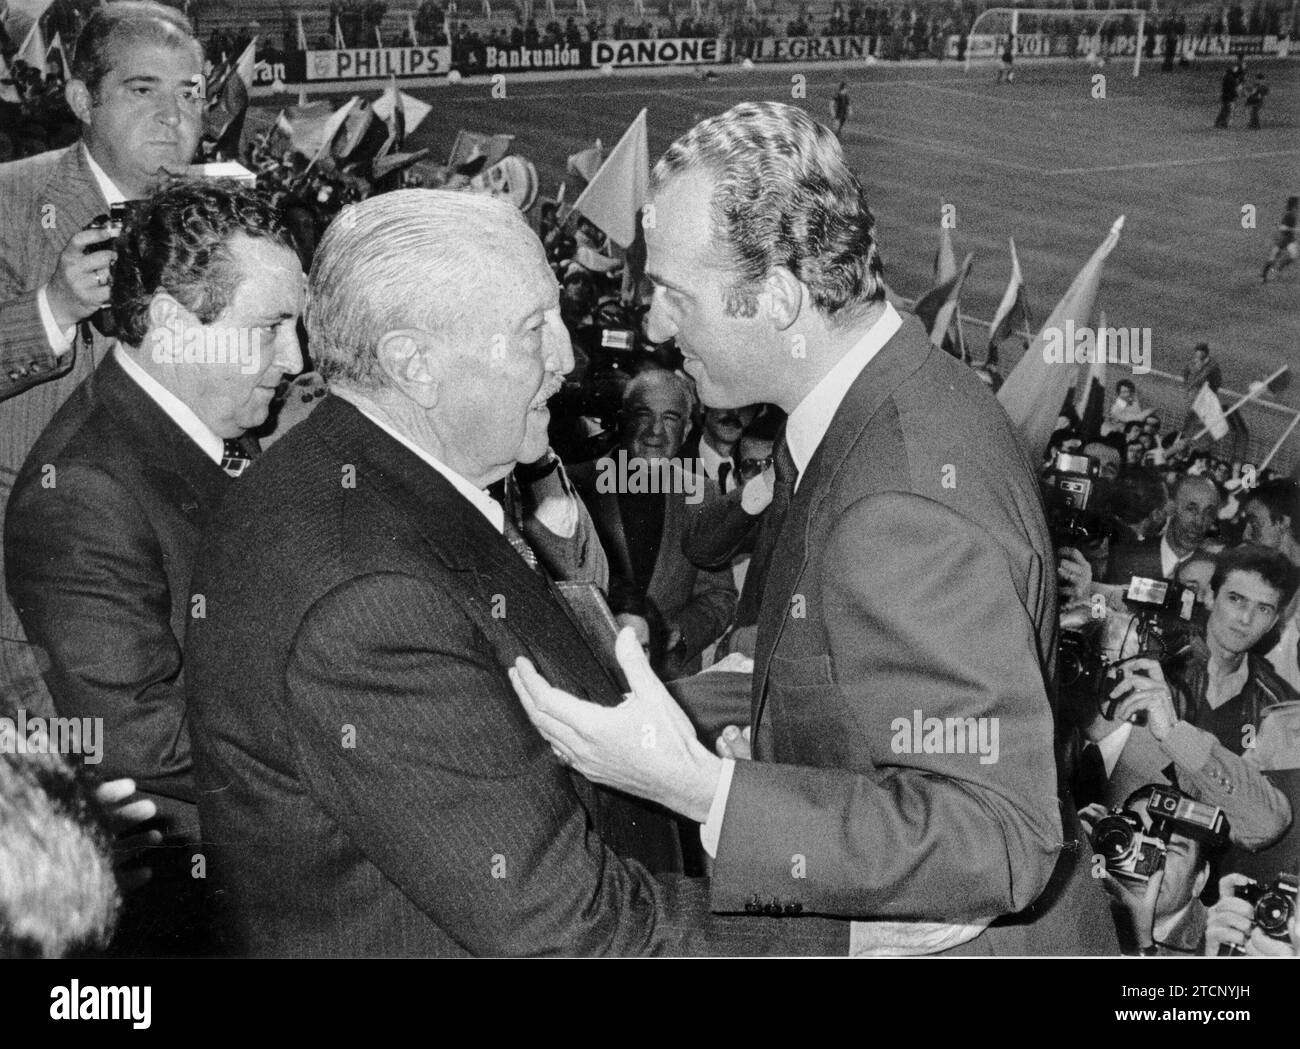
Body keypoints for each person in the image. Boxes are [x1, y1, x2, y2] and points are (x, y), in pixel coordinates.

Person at [511, 102, 1117, 956]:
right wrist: (781, 748)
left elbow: (994, 832)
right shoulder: (874, 407)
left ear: (783, 298)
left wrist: (702, 787)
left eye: (676, 295)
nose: (653, 325)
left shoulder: (898, 497)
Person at [184, 190, 843, 957]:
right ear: (413, 363)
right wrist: (838, 928)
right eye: (535, 331)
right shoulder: (370, 604)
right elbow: (570, 926)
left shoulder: (360, 475)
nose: (568, 360)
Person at [4, 180, 306, 953]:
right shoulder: (84, 490)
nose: (295, 358)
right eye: (269, 328)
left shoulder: (206, 421)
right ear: (173, 323)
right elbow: (137, 739)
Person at [0, 2, 204, 717]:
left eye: (191, 93)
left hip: (182, 579)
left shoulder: (220, 216)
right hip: (28, 591)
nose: (173, 116)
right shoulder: (10, 203)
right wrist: (53, 306)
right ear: (84, 99)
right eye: (143, 89)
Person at [570, 368, 737, 679]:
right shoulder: (575, 485)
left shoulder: (703, 495)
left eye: (670, 418)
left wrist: (679, 632)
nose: (655, 432)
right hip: (587, 674)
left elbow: (720, 596)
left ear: (687, 429)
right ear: (623, 419)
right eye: (644, 415)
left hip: (669, 680)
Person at [1105, 473, 1221, 583]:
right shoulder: (1127, 558)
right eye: (1191, 509)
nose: (1199, 522)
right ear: (1172, 508)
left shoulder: (1213, 574)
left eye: (1208, 513)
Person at [1261, 195, 1298, 284]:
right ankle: (1264, 275)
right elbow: (1282, 228)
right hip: (1283, 239)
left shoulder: (1292, 213)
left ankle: (1279, 268)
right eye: (1297, 203)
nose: (1298, 205)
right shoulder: (1289, 214)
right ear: (1294, 205)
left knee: (1293, 255)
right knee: (1273, 258)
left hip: (1290, 239)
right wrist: (1294, 229)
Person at [1214, 58, 1241, 127]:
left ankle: (1219, 122)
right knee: (1228, 110)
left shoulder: (1226, 78)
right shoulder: (1232, 79)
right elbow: (1233, 88)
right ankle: (1224, 123)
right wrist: (1236, 94)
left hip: (1225, 96)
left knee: (1224, 110)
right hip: (1230, 97)